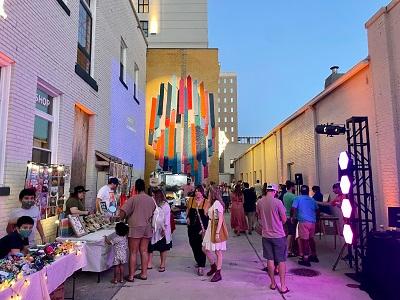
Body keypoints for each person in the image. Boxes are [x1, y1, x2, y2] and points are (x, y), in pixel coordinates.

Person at [119, 179, 156, 282]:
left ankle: (131, 276)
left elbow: (122, 212)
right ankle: (144, 274)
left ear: (136, 187)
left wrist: (121, 218)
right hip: (147, 227)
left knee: (133, 252)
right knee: (144, 251)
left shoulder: (133, 199)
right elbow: (153, 212)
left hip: (135, 227)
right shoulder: (150, 199)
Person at [256, 184, 288, 294]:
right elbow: (284, 220)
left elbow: (259, 217)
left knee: (270, 260)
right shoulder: (278, 202)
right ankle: (283, 286)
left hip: (266, 235)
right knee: (281, 261)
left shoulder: (260, 202)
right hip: (278, 235)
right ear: (274, 191)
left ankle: (273, 283)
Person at [202, 187, 227, 282]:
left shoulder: (217, 204)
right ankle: (213, 266)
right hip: (210, 227)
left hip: (215, 228)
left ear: (212, 194)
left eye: (208, 193)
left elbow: (219, 219)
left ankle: (218, 272)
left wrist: (217, 233)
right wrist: (208, 203)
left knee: (218, 251)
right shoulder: (212, 203)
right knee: (205, 248)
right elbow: (205, 213)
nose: (207, 195)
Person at [292, 185, 319, 267]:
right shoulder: (312, 199)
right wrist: (316, 220)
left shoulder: (298, 198)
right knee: (311, 239)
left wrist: (293, 217)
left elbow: (293, 208)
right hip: (312, 222)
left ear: (300, 191)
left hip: (303, 222)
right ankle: (314, 255)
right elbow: (317, 209)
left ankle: (306, 258)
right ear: (308, 191)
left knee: (305, 240)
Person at [186, 185, 209, 276]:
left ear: (202, 192)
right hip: (191, 227)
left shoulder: (206, 202)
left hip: (201, 228)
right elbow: (188, 210)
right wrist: (187, 218)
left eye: (199, 191)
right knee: (193, 244)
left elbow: (208, 217)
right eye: (196, 191)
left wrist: (205, 228)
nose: (197, 193)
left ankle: (201, 266)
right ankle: (198, 260)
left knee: (201, 246)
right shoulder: (191, 200)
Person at [148, 189, 172, 272]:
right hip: (153, 230)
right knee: (150, 247)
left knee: (163, 247)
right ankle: (149, 263)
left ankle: (162, 264)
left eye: (154, 195)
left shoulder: (165, 205)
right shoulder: (152, 204)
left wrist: (164, 229)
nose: (152, 197)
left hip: (162, 229)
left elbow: (167, 219)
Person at [283, 181, 297, 257]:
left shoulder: (285, 195)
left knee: (287, 233)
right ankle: (288, 250)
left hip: (285, 216)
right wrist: (293, 217)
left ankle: (287, 249)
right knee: (291, 234)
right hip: (291, 217)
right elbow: (294, 208)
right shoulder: (293, 196)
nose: (294, 188)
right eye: (294, 187)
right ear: (292, 187)